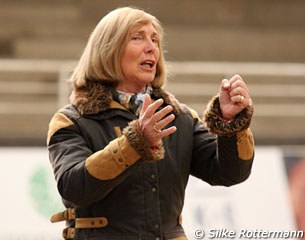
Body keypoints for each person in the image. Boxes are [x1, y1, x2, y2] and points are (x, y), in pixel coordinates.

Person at [47, 6, 255, 240]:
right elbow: (73, 189)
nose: (152, 47)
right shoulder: (72, 120)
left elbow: (230, 174)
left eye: (155, 40)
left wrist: (230, 124)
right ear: (108, 50)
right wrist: (136, 142)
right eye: (137, 38)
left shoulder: (180, 118)